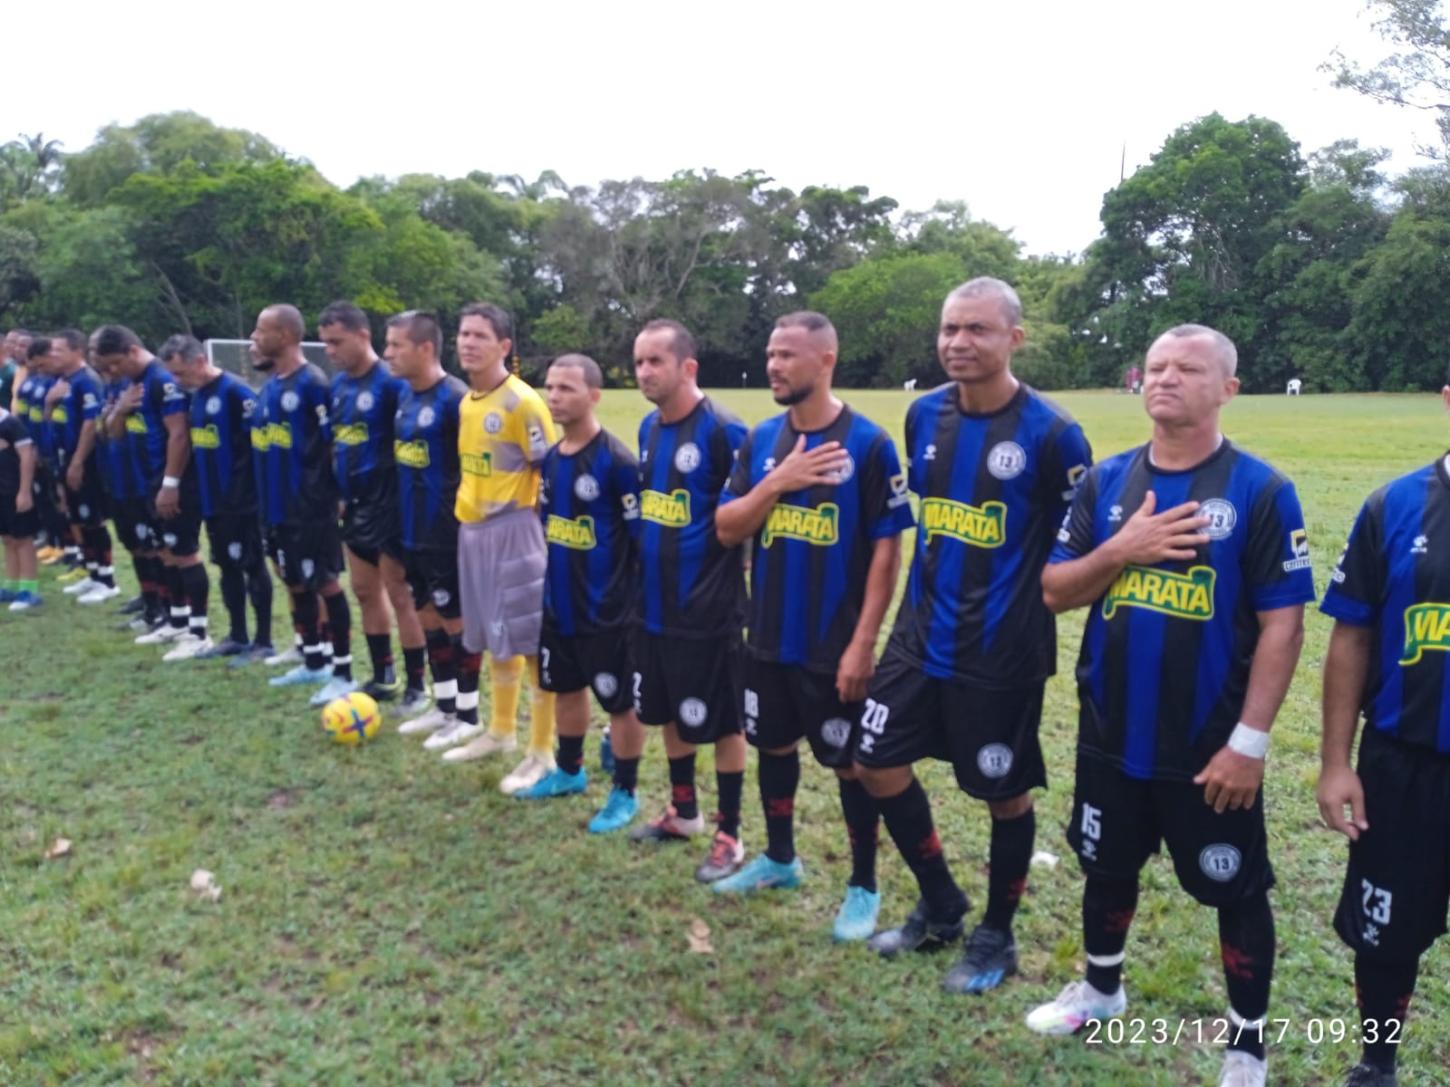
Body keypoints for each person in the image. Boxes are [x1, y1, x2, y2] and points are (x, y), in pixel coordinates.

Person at [1026, 324, 1313, 1087]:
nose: (1167, 378)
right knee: (1107, 868)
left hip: (1209, 746)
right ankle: (1102, 989)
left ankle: (1248, 1042)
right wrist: (1125, 547)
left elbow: (1285, 622)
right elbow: (1055, 590)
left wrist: (1249, 742)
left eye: (1189, 368)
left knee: (1237, 889)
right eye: (1155, 366)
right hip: (1110, 732)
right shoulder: (1107, 482)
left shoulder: (1260, 490)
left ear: (1229, 387)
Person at [851, 279, 1093, 987]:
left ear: (1014, 338)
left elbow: (1078, 542)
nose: (958, 342)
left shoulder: (1052, 433)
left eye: (977, 330)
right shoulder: (924, 415)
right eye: (949, 328)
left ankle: (996, 935)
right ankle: (940, 897)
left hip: (1003, 649)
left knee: (1003, 793)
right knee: (874, 760)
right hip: (919, 635)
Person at [712, 311, 914, 942]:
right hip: (766, 638)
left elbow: (887, 549)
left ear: (826, 360)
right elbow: (727, 527)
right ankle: (779, 858)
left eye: (787, 356)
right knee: (772, 747)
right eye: (771, 354)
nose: (774, 365)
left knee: (850, 765)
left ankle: (863, 886)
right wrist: (781, 481)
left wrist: (863, 644)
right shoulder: (762, 440)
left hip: (834, 646)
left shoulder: (870, 444)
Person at [1316, 367, 1450, 1087]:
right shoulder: (1395, 504)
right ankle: (1378, 1060)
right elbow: (1351, 639)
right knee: (1387, 930)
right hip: (1403, 764)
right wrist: (1336, 761)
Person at [628, 318, 751, 883]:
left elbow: (748, 520)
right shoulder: (649, 430)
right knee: (667, 711)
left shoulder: (725, 431)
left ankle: (731, 832)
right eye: (639, 363)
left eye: (656, 361)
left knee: (724, 722)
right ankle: (684, 811)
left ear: (688, 367)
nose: (644, 373)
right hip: (653, 606)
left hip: (710, 610)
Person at [517, 352, 649, 830]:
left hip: (608, 612)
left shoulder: (617, 463)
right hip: (560, 605)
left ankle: (625, 792)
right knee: (565, 689)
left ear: (593, 395)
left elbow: (640, 543)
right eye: (550, 387)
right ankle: (569, 772)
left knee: (620, 702)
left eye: (566, 388)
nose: (554, 396)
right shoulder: (551, 459)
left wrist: (630, 604)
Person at [440, 303, 559, 796]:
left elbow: (550, 470)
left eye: (480, 336)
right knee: (495, 636)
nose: (468, 343)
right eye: (463, 334)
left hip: (515, 531)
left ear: (504, 347)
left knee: (530, 644)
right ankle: (501, 731)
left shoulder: (522, 403)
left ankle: (542, 751)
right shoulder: (468, 401)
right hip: (474, 533)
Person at [319, 301, 428, 713]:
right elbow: (338, 442)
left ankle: (418, 685)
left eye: (336, 341)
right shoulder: (339, 386)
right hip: (355, 506)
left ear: (362, 337)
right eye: (325, 343)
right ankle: (384, 675)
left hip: (390, 506)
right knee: (365, 591)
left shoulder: (391, 383)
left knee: (400, 594)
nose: (329, 350)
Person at [250, 304, 355, 705]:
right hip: (274, 506)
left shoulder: (312, 384)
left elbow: (333, 443)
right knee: (292, 580)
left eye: (263, 330)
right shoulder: (271, 386)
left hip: (310, 506)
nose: (256, 338)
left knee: (325, 582)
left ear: (288, 335)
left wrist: (335, 495)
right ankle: (312, 659)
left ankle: (341, 670)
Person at [158, 335, 274, 661]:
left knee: (252, 565)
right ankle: (237, 635)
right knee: (227, 567)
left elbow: (258, 446)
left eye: (180, 373)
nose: (178, 382)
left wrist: (247, 492)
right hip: (213, 501)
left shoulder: (236, 393)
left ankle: (263, 641)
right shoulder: (196, 397)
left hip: (242, 502)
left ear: (198, 361)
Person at [384, 312, 469, 744]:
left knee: (455, 621)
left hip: (446, 534)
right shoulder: (403, 396)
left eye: (396, 345)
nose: (388, 353)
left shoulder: (455, 399)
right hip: (410, 531)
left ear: (426, 349)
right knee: (427, 616)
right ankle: (445, 704)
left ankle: (468, 717)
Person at [94, 326, 203, 647]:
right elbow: (111, 432)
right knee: (158, 551)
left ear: (131, 350)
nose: (112, 372)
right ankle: (169, 616)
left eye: (115, 363)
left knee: (178, 552)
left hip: (164, 481)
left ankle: (191, 627)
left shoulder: (161, 379)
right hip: (138, 481)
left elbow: (179, 434)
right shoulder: (128, 384)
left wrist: (170, 483)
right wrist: (120, 409)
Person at [44, 329, 118, 604]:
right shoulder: (62, 381)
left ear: (77, 351)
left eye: (58, 350)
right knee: (78, 520)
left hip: (86, 463)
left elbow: (90, 425)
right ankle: (92, 573)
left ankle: (107, 580)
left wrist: (77, 462)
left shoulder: (87, 381)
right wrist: (50, 403)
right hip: (65, 459)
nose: (53, 355)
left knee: (93, 520)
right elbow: (54, 420)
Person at [0, 402, 40, 609]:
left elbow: (27, 456)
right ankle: (11, 584)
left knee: (23, 540)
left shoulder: (11, 424)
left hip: (14, 491)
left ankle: (29, 589)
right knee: (7, 539)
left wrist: (24, 492)